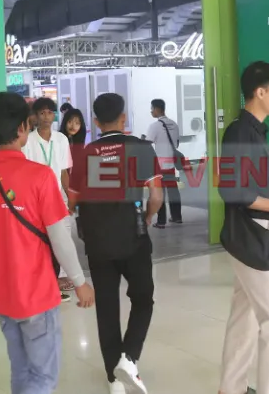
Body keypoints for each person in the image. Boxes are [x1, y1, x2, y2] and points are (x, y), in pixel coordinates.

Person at [0, 92, 95, 394]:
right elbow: (60, 237)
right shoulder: (41, 177)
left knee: (21, 371)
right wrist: (79, 281)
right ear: (23, 127)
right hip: (37, 296)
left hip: (2, 297)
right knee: (42, 378)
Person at [217, 62, 269, 394]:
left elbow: (259, 189)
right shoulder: (240, 132)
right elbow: (233, 191)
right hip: (250, 239)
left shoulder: (256, 132)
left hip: (259, 233)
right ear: (260, 91)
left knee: (245, 316)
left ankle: (231, 387)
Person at [69, 93, 164, 394]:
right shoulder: (141, 148)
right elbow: (157, 196)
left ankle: (114, 380)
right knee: (143, 298)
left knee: (107, 308)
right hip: (133, 237)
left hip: (97, 242)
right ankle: (129, 358)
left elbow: (72, 201)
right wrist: (148, 217)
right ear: (124, 118)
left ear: (96, 122)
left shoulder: (84, 155)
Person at [23, 97, 76, 298]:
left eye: (50, 112)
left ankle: (60, 276)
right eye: (42, 113)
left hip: (58, 195)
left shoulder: (61, 139)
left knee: (63, 236)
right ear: (35, 116)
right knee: (41, 239)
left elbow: (64, 172)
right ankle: (44, 279)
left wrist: (70, 197)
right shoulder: (28, 141)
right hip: (36, 197)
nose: (46, 116)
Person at [142, 99, 183, 228]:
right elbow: (176, 143)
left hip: (159, 164)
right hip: (171, 163)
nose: (151, 111)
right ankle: (177, 217)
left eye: (152, 109)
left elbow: (147, 143)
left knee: (160, 193)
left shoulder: (155, 126)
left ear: (157, 109)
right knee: (173, 191)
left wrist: (142, 140)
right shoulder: (174, 124)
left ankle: (161, 222)